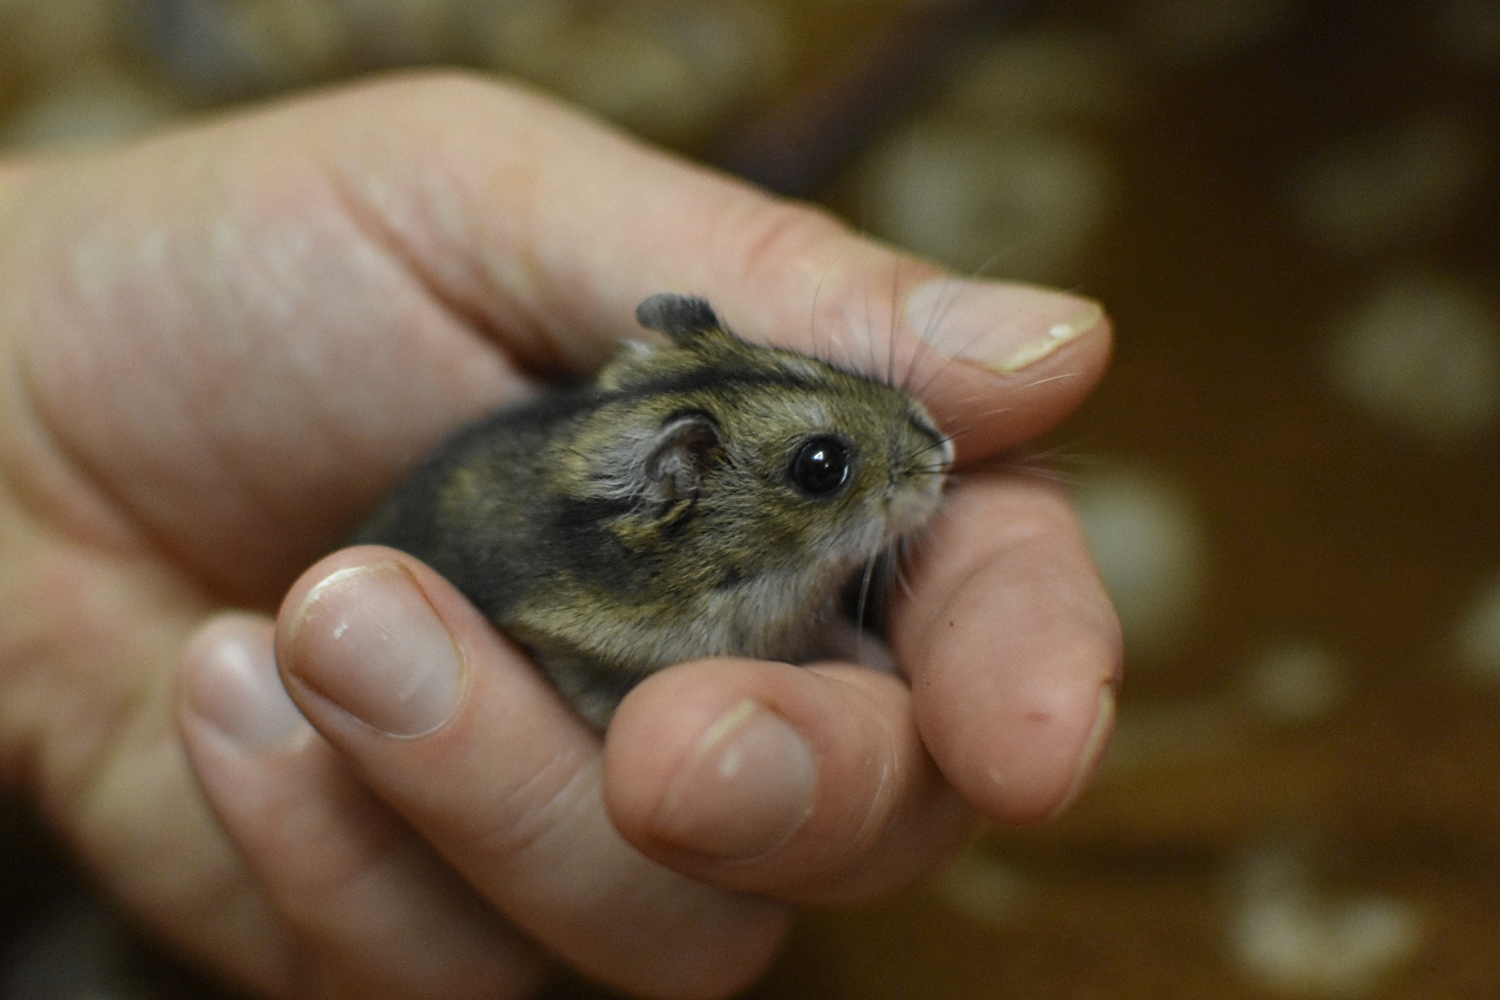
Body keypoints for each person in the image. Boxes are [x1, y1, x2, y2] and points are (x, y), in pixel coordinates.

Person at [0, 73, 1121, 999]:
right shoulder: (622, 610)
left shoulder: (712, 527)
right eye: (825, 468)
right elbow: (598, 678)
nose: (927, 444)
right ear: (674, 495)